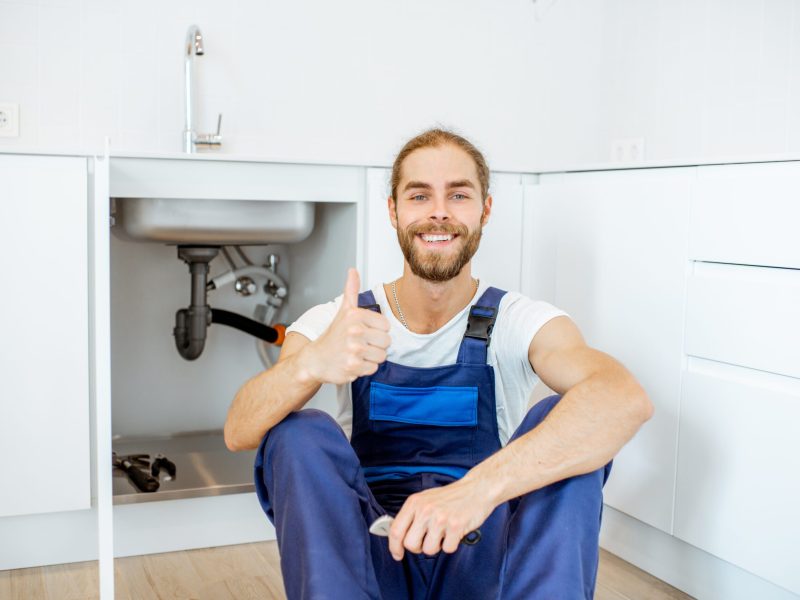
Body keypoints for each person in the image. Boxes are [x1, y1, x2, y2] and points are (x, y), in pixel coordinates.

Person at [224, 129, 654, 600]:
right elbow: (240, 430)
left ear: (485, 210)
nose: (439, 212)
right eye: (419, 195)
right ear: (393, 210)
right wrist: (309, 365)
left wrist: (474, 493)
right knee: (296, 430)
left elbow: (623, 398)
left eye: (459, 195)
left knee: (570, 418)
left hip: (485, 556)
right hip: (368, 561)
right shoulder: (339, 322)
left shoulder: (520, 321)